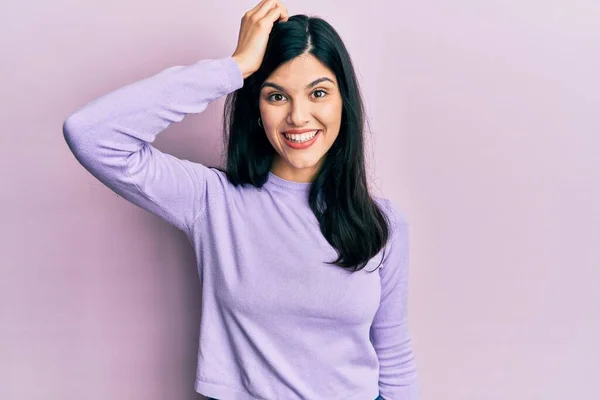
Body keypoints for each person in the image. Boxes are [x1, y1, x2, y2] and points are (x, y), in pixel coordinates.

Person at [62, 0, 419, 398]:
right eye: (277, 96)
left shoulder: (382, 223)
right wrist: (235, 67)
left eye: (318, 93)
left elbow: (394, 355)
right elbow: (91, 134)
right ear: (257, 107)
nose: (299, 116)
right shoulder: (212, 201)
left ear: (343, 103)